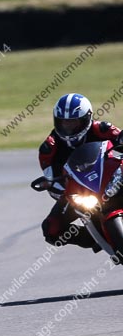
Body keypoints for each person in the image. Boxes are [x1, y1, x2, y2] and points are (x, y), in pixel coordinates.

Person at [39, 93, 123, 250]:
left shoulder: (102, 128)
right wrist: (57, 188)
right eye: (64, 122)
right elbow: (51, 180)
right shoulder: (48, 148)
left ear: (87, 118)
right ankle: (94, 237)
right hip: (80, 191)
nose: (68, 127)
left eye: (73, 122)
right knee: (51, 229)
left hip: (110, 177)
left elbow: (120, 139)